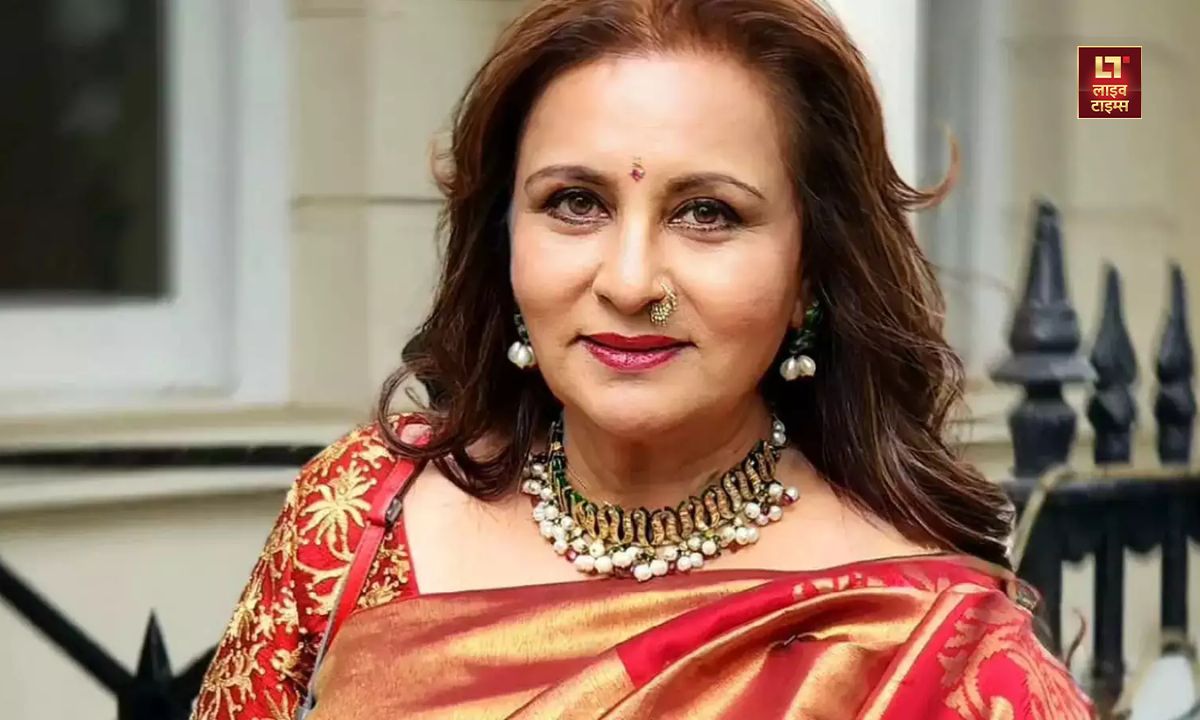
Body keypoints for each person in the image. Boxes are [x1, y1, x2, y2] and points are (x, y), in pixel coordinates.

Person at [192, 0, 1095, 717]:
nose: (629, 283)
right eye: (575, 203)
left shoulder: (930, 648)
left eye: (708, 213)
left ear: (809, 273)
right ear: (503, 240)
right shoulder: (361, 516)